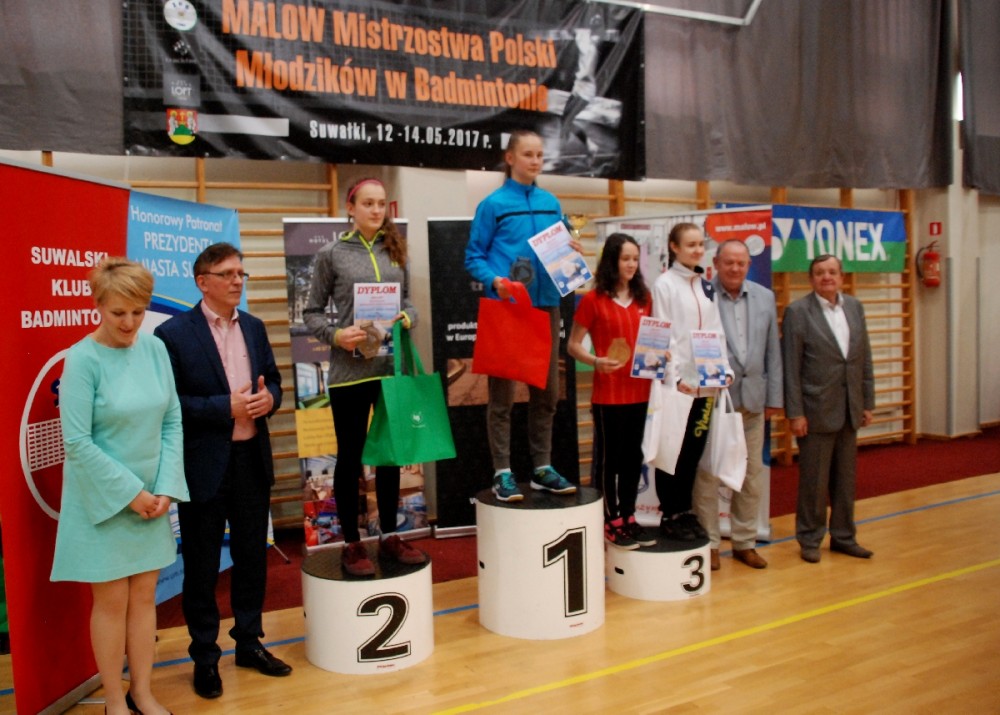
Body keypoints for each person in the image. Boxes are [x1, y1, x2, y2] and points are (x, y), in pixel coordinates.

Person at [51, 258, 188, 715]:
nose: (129, 323)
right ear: (98, 306)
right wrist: (132, 494)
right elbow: (77, 442)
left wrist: (165, 487)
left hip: (151, 499)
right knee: (110, 604)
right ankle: (115, 701)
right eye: (118, 313)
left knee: (145, 598)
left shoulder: (155, 349)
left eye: (137, 312)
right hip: (104, 502)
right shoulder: (82, 359)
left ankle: (142, 692)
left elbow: (172, 420)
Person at [154, 243, 290, 700]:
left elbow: (274, 381)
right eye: (228, 273)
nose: (237, 280)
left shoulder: (254, 326)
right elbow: (170, 404)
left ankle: (249, 644)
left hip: (252, 460)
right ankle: (205, 658)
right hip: (204, 466)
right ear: (202, 281)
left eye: (241, 273)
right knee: (202, 566)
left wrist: (270, 398)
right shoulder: (173, 334)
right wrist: (222, 408)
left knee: (252, 558)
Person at [303, 177, 427, 577]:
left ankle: (389, 534)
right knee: (350, 456)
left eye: (381, 204)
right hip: (350, 374)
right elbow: (311, 313)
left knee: (390, 456)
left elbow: (409, 304)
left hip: (390, 370)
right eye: (368, 203)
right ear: (351, 208)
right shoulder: (332, 254)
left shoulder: (395, 249)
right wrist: (337, 335)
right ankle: (352, 543)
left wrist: (406, 317)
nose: (376, 210)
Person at [465, 128, 578, 502]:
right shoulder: (493, 205)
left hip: (547, 307)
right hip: (508, 308)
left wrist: (571, 250)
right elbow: (473, 257)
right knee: (502, 398)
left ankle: (542, 468)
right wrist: (494, 281)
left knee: (547, 394)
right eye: (528, 154)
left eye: (540, 155)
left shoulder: (550, 203)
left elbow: (560, 250)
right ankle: (502, 473)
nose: (535, 161)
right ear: (510, 158)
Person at [692, 240, 783, 570]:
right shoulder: (701, 295)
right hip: (713, 400)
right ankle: (711, 545)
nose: (734, 268)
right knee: (708, 475)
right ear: (716, 263)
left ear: (748, 265)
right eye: (728, 262)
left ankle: (745, 542)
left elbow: (773, 350)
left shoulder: (765, 297)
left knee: (751, 475)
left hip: (754, 401)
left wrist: (774, 398)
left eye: (741, 263)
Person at [782, 254, 875, 564]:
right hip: (815, 411)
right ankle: (810, 538)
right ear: (811, 279)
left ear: (842, 277)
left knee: (846, 481)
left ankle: (844, 537)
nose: (827, 277)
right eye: (820, 272)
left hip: (849, 409)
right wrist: (795, 413)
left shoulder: (855, 307)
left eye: (832, 272)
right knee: (814, 482)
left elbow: (864, 358)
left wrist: (867, 402)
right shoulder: (798, 312)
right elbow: (791, 367)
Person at [567, 233, 656, 549]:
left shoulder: (645, 298)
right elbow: (573, 344)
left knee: (634, 458)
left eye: (635, 259)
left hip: (640, 392)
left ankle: (629, 516)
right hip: (608, 396)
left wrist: (663, 354)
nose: (631, 264)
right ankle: (609, 520)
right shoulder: (593, 300)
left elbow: (653, 341)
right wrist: (595, 361)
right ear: (611, 261)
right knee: (609, 461)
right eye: (625, 258)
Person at [652, 223, 733, 540]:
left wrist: (723, 369)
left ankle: (685, 511)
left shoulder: (706, 286)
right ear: (674, 247)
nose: (698, 250)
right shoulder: (664, 285)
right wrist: (674, 379)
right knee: (672, 450)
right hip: (678, 388)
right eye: (690, 245)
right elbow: (664, 334)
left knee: (692, 453)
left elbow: (716, 333)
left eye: (701, 244)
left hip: (706, 386)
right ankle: (669, 513)